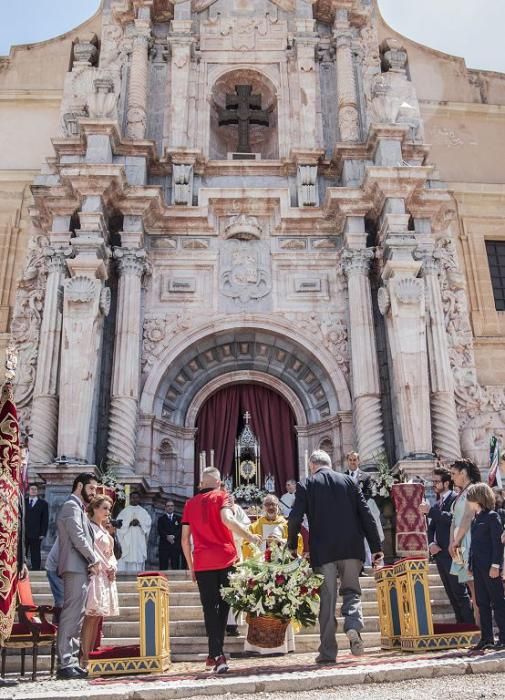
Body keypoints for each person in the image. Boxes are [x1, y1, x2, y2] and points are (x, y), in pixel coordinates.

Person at [288, 450, 383, 664]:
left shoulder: (307, 484)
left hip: (324, 552)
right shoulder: (349, 482)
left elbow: (294, 518)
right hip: (351, 547)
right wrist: (376, 547)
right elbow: (366, 514)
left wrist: (292, 545)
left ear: (312, 465)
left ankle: (328, 652)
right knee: (352, 591)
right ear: (330, 464)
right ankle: (353, 626)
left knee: (327, 602)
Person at [181, 467, 261, 674]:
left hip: (202, 562)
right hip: (226, 559)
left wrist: (191, 567)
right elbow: (227, 519)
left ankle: (213, 653)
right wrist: (250, 537)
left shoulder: (190, 504)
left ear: (201, 483)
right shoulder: (222, 496)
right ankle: (218, 654)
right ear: (218, 482)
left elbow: (184, 539)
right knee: (225, 606)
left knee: (209, 609)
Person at [243, 494, 302, 656]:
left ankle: (282, 645)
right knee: (258, 607)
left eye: (273, 505)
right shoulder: (255, 526)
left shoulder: (286, 525)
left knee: (282, 607)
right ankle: (256, 646)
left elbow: (298, 542)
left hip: (281, 572)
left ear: (278, 507)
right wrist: (260, 543)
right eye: (267, 504)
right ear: (263, 507)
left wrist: (283, 542)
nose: (270, 507)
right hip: (261, 571)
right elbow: (246, 544)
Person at [56, 472, 99, 680]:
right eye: (91, 489)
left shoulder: (79, 508)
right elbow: (77, 536)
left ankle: (71, 660)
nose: (94, 493)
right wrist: (94, 559)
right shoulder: (71, 506)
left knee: (78, 615)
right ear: (79, 486)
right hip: (74, 567)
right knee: (71, 613)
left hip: (80, 567)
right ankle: (65, 662)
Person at [420, 467, 475, 624]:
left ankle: (469, 626)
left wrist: (430, 511)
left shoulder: (455, 499)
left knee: (460, 591)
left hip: (454, 551)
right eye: (433, 482)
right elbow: (431, 528)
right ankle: (460, 625)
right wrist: (431, 544)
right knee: (450, 593)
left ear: (446, 483)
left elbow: (453, 519)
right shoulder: (437, 504)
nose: (434, 485)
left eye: (437, 482)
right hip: (439, 553)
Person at [80, 496, 119, 664]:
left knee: (97, 618)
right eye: (104, 508)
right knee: (90, 616)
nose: (107, 512)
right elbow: (93, 552)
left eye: (109, 509)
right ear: (95, 508)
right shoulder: (90, 528)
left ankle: (90, 655)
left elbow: (112, 556)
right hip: (95, 574)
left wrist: (113, 568)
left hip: (105, 576)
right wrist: (106, 567)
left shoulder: (105, 531)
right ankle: (84, 656)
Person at [467, 483, 505, 651]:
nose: (468, 501)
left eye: (470, 498)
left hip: (491, 567)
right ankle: (487, 638)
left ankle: (503, 637)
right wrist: (470, 564)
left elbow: (498, 544)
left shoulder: (492, 517)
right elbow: (473, 545)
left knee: (498, 602)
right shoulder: (476, 519)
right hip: (478, 568)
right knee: (482, 603)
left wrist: (496, 565)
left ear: (478, 498)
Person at [449, 458, 482, 622]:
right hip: (459, 544)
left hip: (468, 541)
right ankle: (480, 630)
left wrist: (456, 541)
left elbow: (468, 516)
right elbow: (454, 520)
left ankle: (485, 631)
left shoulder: (473, 490)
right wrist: (451, 542)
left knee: (477, 589)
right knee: (470, 585)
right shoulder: (459, 494)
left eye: (454, 474)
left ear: (463, 473)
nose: (452, 478)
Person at [345, 451, 382, 572]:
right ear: (347, 461)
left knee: (363, 541)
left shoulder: (365, 477)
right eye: (350, 460)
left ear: (358, 461)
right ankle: (354, 567)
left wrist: (357, 503)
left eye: (354, 459)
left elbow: (368, 493)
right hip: (347, 515)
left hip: (361, 514)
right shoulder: (343, 476)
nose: (352, 462)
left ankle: (366, 565)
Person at [225, 493, 251, 637]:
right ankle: (223, 622)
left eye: (231, 498)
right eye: (227, 498)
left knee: (236, 588)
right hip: (223, 552)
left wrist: (235, 528)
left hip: (237, 552)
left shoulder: (238, 509)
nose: (229, 501)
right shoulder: (220, 510)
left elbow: (246, 526)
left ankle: (233, 623)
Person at [116, 492, 152, 573]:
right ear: (130, 498)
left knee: (138, 559)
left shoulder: (143, 512)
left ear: (139, 499)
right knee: (126, 557)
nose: (134, 499)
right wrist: (129, 523)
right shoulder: (124, 511)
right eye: (133, 497)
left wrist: (140, 523)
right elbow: (119, 525)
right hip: (128, 540)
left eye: (136, 497)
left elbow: (148, 524)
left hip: (138, 540)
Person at [24, 483, 49, 571]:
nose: (33, 491)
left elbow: (45, 519)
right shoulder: (24, 502)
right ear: (28, 490)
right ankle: (23, 569)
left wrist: (43, 533)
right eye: (32, 489)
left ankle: (35, 570)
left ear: (37, 491)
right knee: (23, 552)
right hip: (24, 532)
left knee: (35, 553)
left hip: (37, 533)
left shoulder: (43, 503)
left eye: (35, 489)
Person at [157, 500, 182, 570]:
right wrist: (167, 537)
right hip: (164, 546)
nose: (170, 507)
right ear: (165, 508)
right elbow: (160, 530)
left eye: (171, 506)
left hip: (175, 545)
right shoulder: (161, 519)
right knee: (163, 566)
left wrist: (173, 537)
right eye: (168, 506)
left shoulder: (179, 518)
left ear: (174, 507)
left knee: (175, 566)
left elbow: (180, 530)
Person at [45, 539, 63, 623]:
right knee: (62, 599)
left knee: (62, 600)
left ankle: (57, 624)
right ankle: (58, 625)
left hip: (62, 567)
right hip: (55, 567)